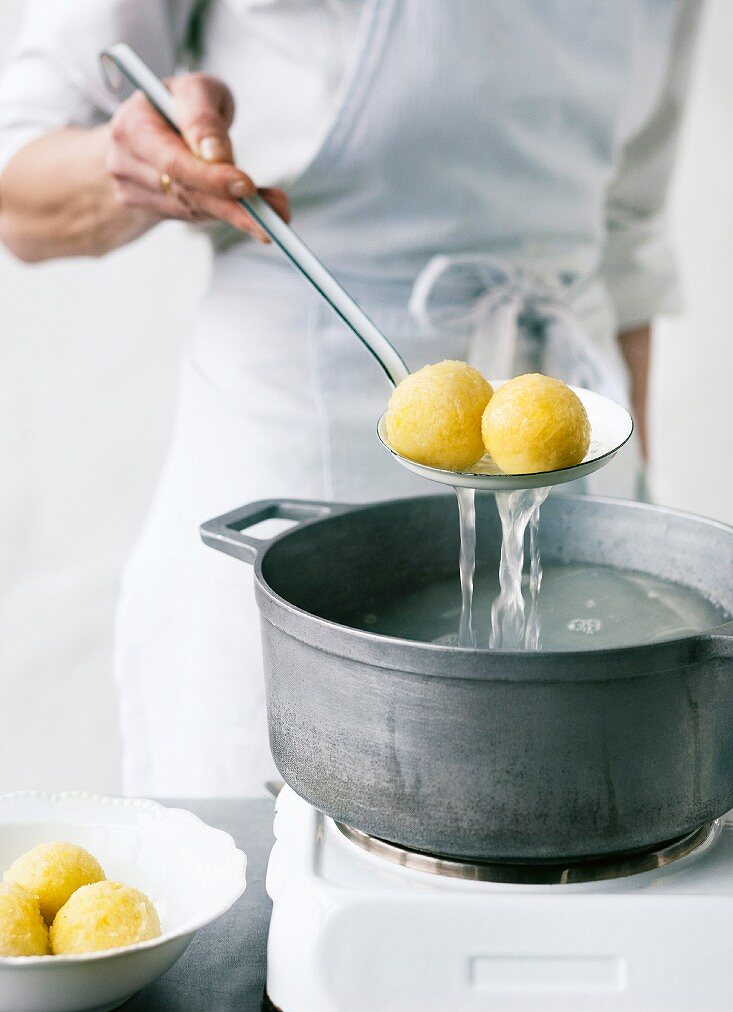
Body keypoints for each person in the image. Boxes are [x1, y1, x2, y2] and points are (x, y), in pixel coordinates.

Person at [0, 0, 703, 796]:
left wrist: (631, 520)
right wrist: (130, 164)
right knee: (280, 856)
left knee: (570, 813)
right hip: (293, 427)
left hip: (568, 434)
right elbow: (15, 180)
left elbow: (627, 238)